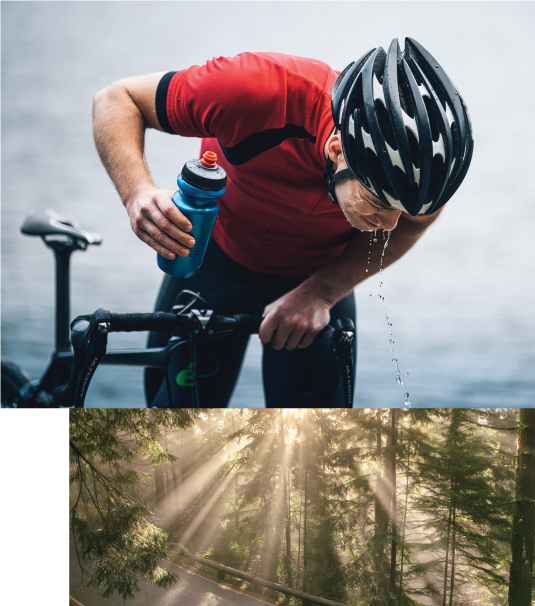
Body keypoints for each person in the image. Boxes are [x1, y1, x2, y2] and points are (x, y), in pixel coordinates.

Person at [92, 38, 473, 406]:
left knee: (321, 449)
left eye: (401, 208)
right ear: (337, 151)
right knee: (176, 434)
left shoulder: (422, 176)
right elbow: (117, 98)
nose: (387, 225)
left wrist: (322, 293)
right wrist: (137, 193)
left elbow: (415, 222)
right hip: (212, 263)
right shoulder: (255, 90)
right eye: (377, 202)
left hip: (317, 279)